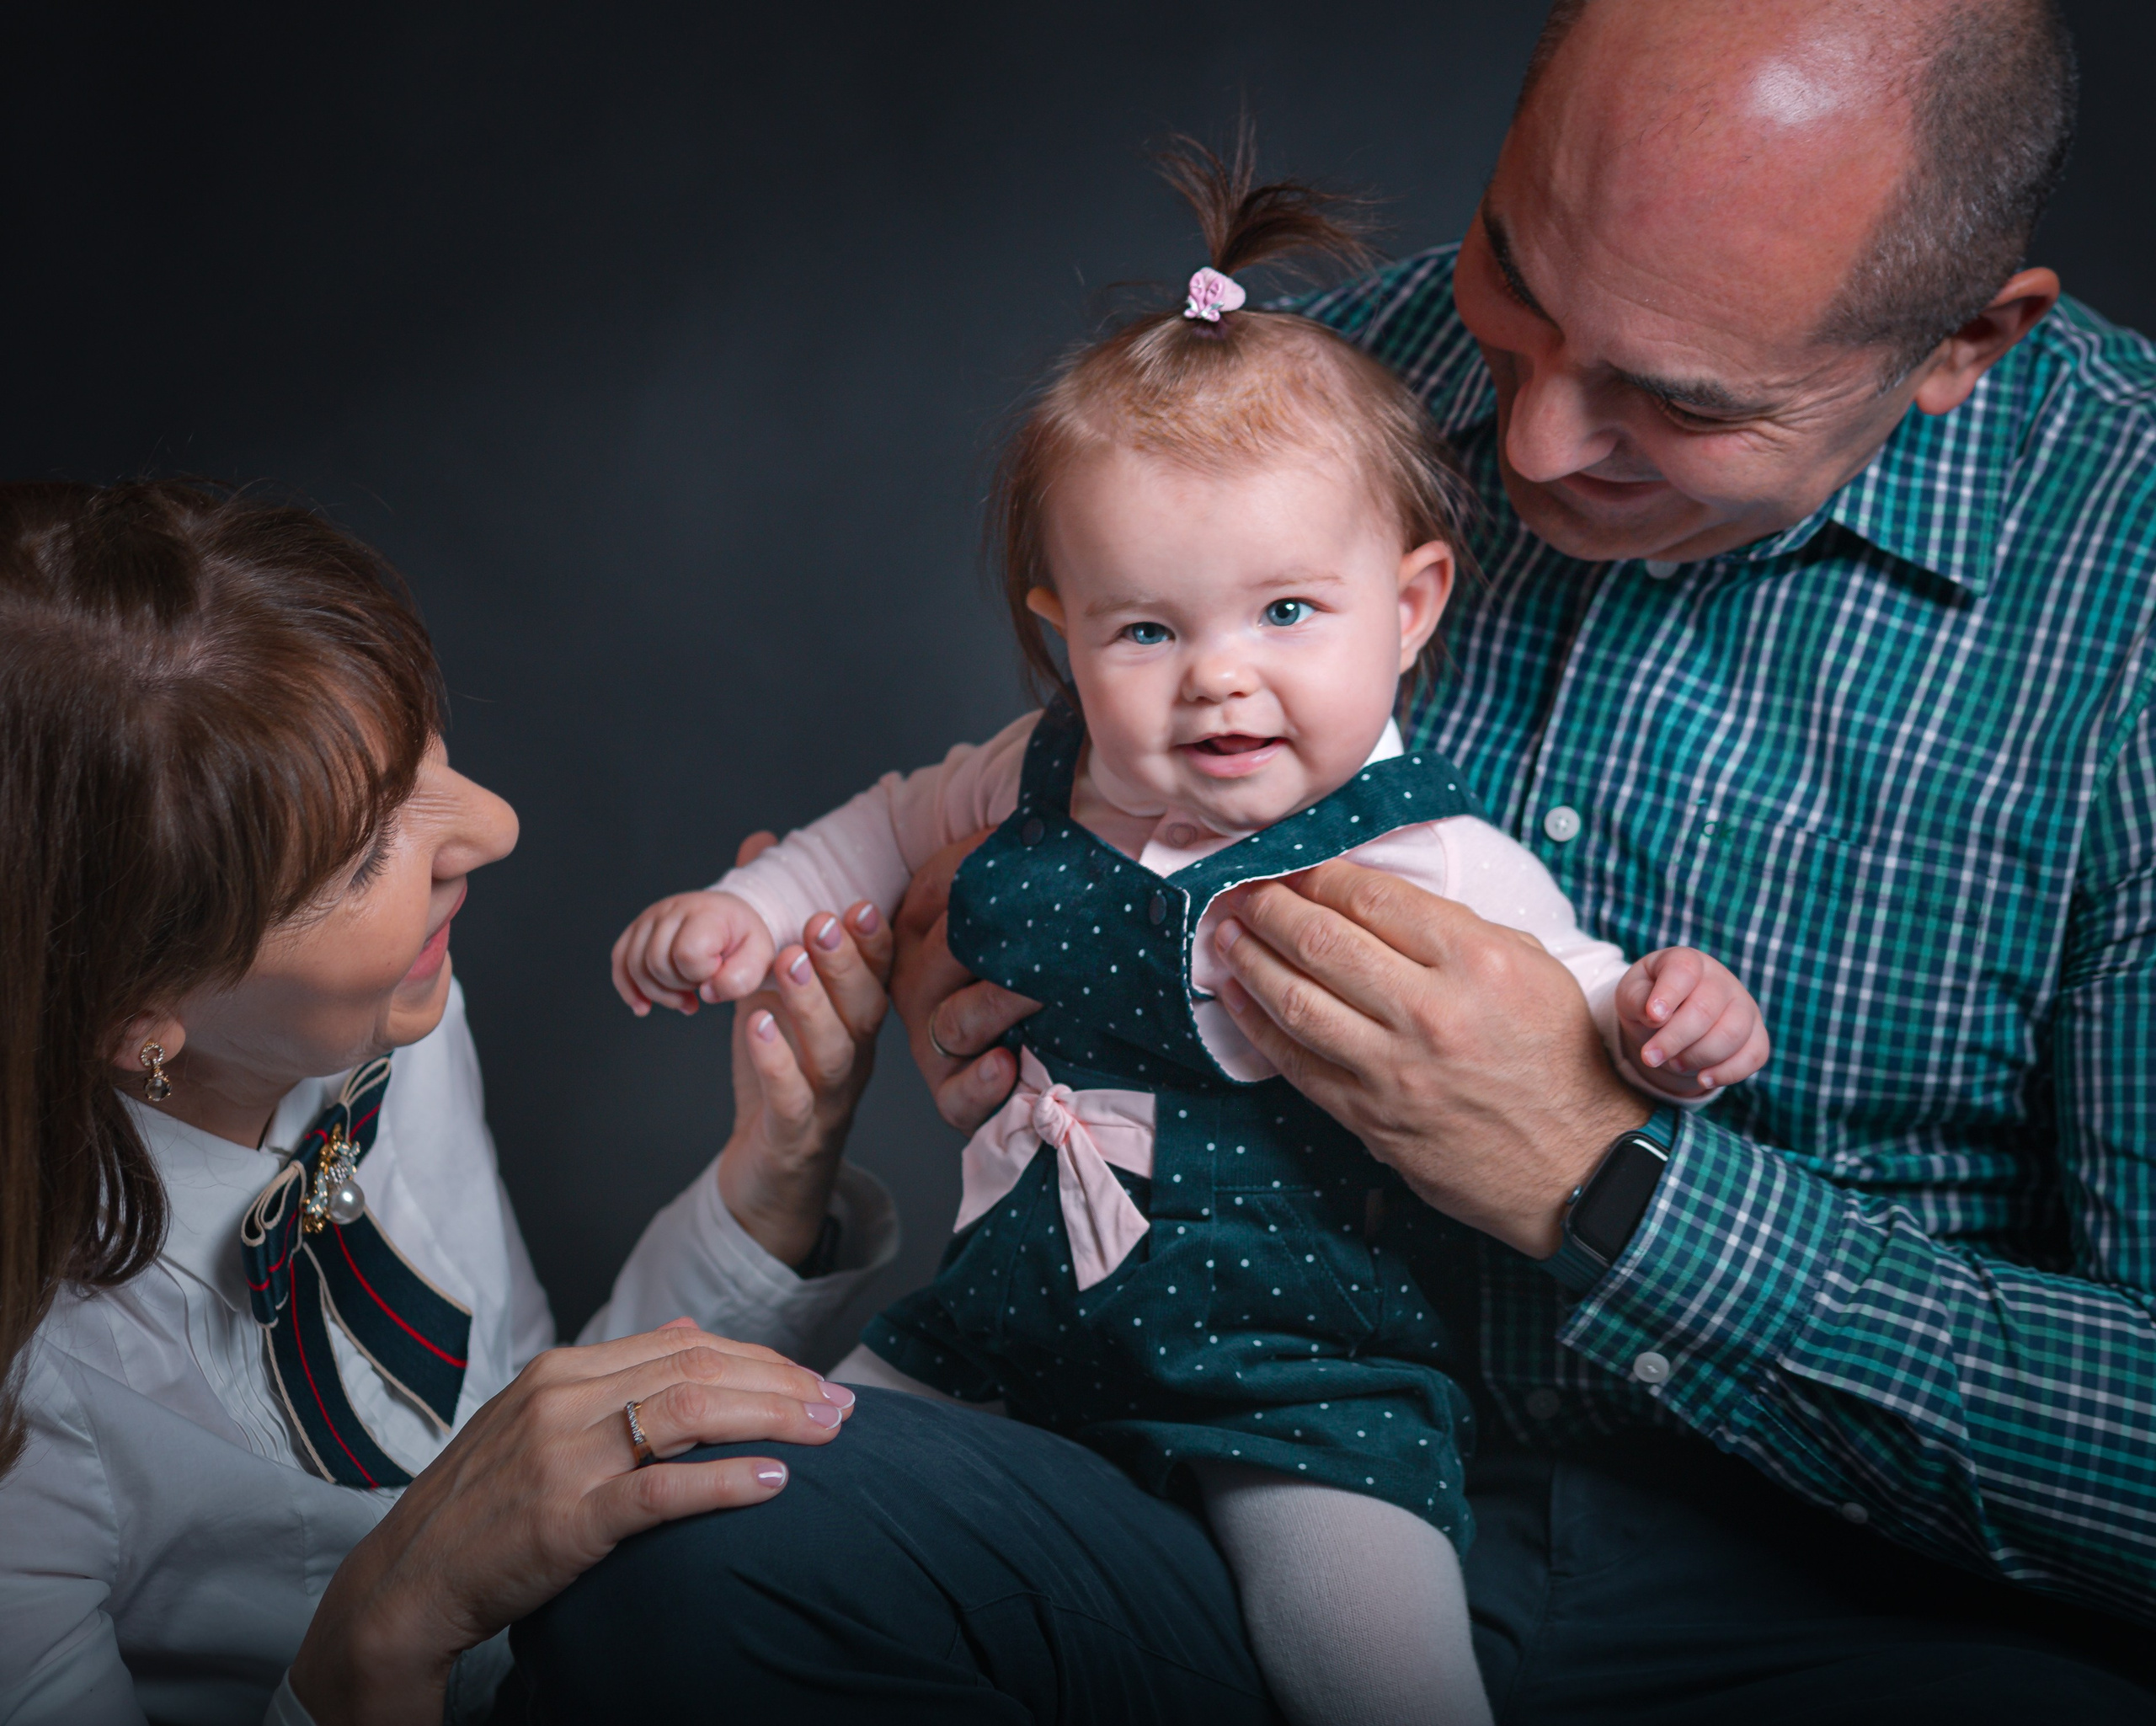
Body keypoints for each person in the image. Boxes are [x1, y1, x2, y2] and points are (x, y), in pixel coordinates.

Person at [882, 0, 2156, 1718]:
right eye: (1515, 283)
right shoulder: (1305, 390)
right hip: (1222, 1439)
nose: (1535, 442)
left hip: (1872, 1599)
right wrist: (976, 953)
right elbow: (1077, 806)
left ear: (1961, 343)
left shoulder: (2129, 598)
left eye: (1675, 399)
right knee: (710, 1567)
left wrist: (1606, 1176)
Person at [611, 140, 1768, 1726]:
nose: (1219, 677)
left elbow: (1569, 1013)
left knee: (1374, 1676)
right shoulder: (1037, 770)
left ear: (1411, 604)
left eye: (1288, 613)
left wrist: (1665, 1019)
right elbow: (876, 830)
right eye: (1148, 628)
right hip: (1011, 1326)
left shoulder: (1434, 851)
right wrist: (744, 913)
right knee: (742, 1487)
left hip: (1298, 1382)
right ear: (1061, 636)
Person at [0, 480, 1273, 1726]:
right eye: (360, 852)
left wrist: (777, 1169)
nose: (492, 828)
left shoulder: (383, 1028)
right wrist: (380, 1639)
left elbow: (535, 1433)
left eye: (428, 752)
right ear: (134, 1011)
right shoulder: (29, 1414)